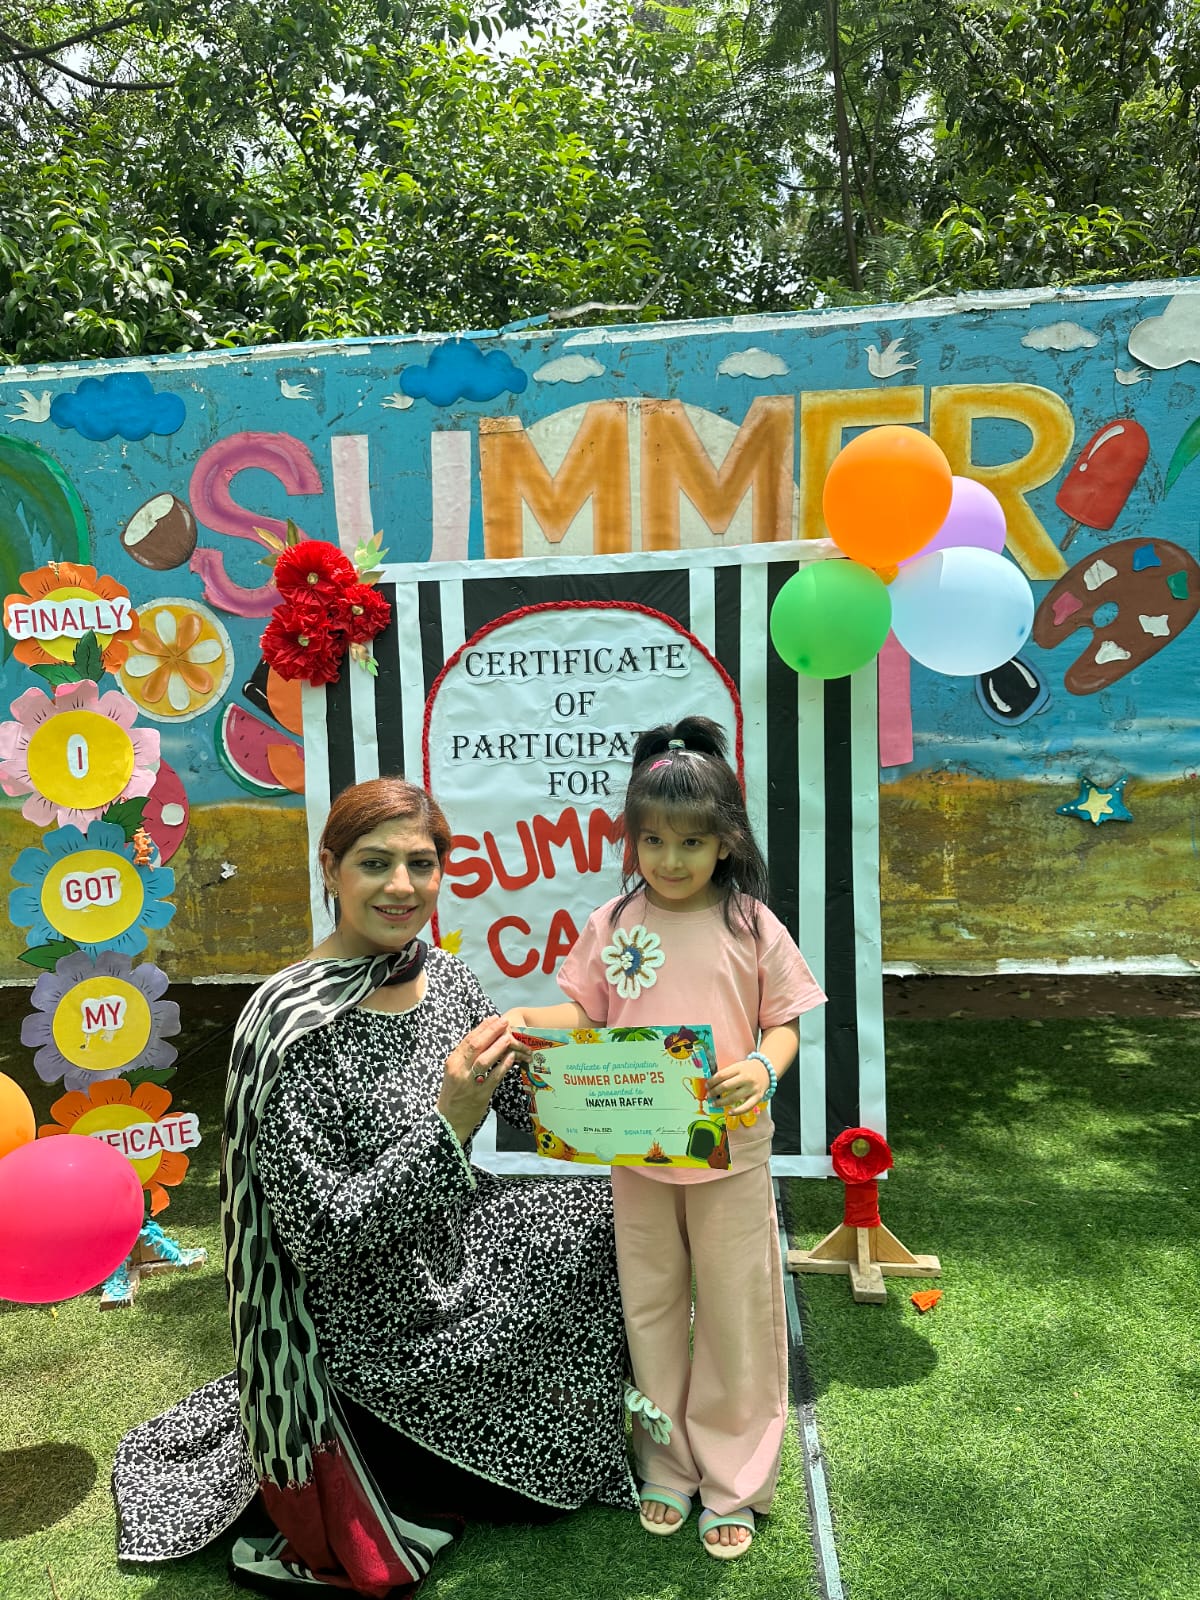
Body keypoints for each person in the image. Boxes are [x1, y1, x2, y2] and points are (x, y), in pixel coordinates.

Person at [113, 777, 636, 1599]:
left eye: (420, 864)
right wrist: (446, 1125)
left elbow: (528, 1101)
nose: (401, 886)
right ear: (330, 869)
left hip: (458, 1250)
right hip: (372, 1329)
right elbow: (321, 1236)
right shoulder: (290, 1025)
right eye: (374, 863)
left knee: (613, 1217)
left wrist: (672, 1102)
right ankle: (423, 1456)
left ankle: (566, 1426)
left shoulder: (444, 978)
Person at [506, 717, 825, 1560]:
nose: (670, 860)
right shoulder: (613, 922)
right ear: (634, 840)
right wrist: (525, 1019)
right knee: (648, 1308)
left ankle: (733, 1478)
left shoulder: (752, 925)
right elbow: (584, 1014)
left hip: (730, 1156)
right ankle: (665, 1464)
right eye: (653, 840)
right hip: (639, 1157)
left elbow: (786, 1023)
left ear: (726, 842)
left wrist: (762, 1066)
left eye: (691, 842)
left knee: (733, 1313)